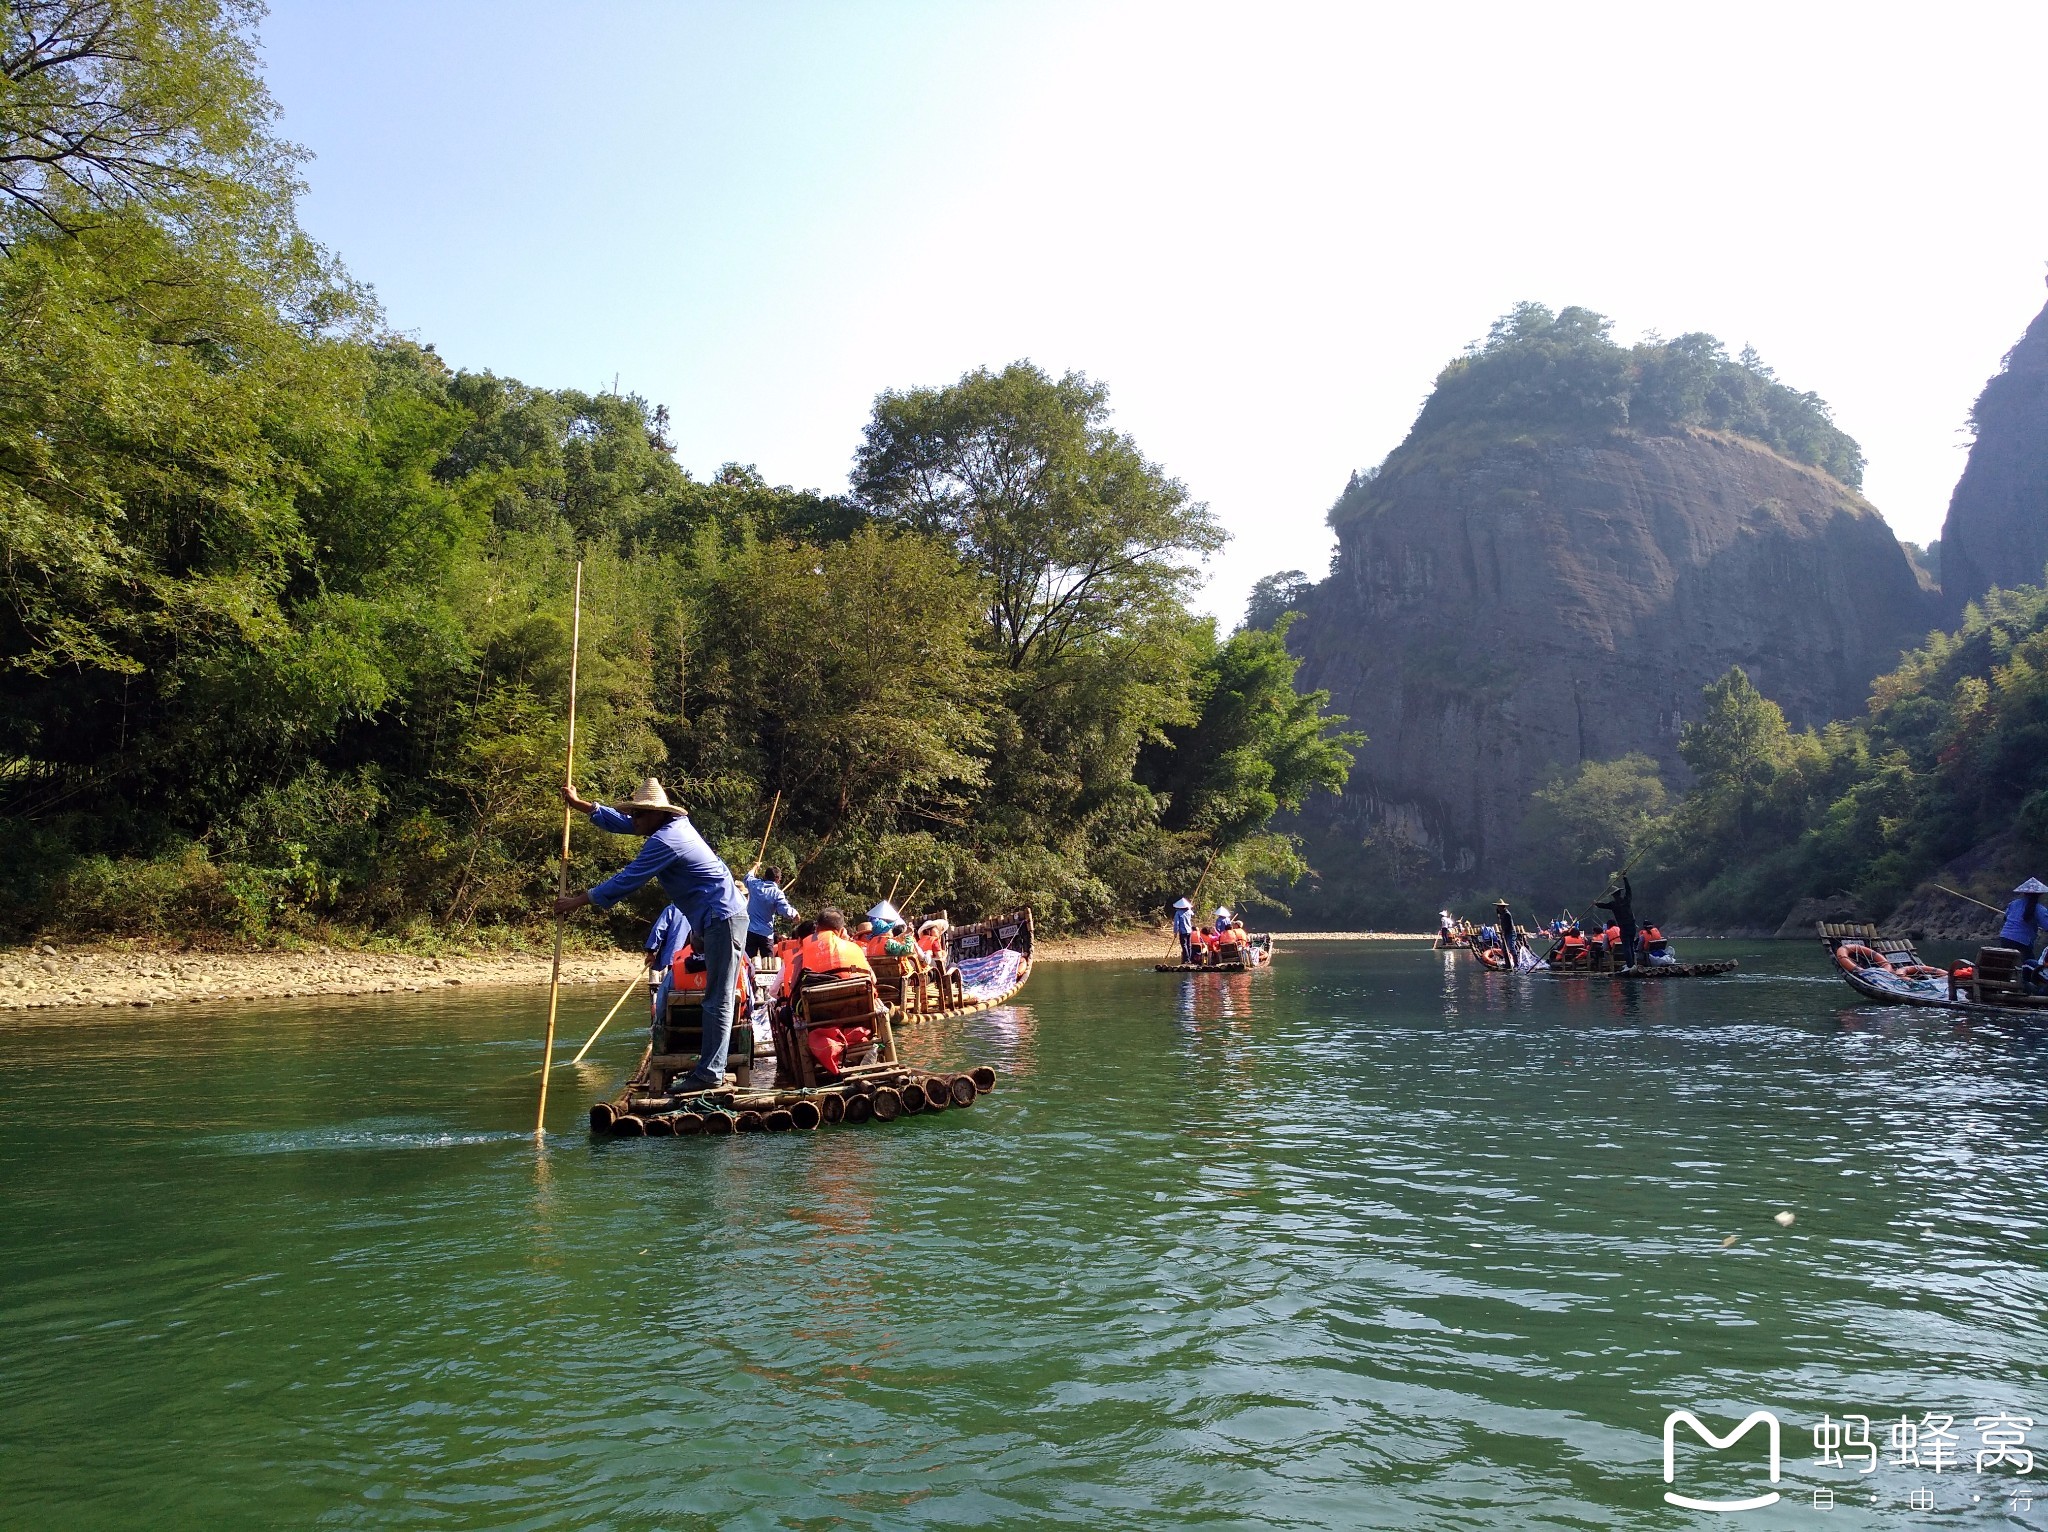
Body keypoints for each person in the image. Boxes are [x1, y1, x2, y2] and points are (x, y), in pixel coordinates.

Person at [554, 777, 747, 1092]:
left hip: (722, 916)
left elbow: (628, 879)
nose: (634, 819)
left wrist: (578, 901)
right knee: (715, 997)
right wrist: (582, 806)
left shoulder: (667, 841)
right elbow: (625, 823)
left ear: (658, 815)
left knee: (718, 997)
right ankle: (708, 1067)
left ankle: (710, 1073)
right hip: (713, 917)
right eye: (634, 814)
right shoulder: (663, 827)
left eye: (640, 814)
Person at [742, 865, 798, 960]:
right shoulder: (776, 893)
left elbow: (747, 877)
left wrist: (755, 867)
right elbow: (784, 910)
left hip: (750, 931)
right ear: (777, 879)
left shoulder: (754, 885)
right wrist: (795, 914)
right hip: (766, 933)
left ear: (765, 876)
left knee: (749, 962)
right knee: (769, 965)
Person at [1594, 873, 1639, 970]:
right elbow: (1629, 890)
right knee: (1631, 945)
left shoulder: (1613, 904)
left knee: (1626, 946)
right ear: (1619, 893)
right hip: (1632, 925)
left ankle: (1630, 965)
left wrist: (1596, 904)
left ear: (1613, 896)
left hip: (1624, 927)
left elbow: (1603, 905)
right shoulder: (1627, 900)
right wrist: (1625, 878)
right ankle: (1632, 964)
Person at [1997, 878, 2048, 955]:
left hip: (2005, 938)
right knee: (2030, 964)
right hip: (2022, 941)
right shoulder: (2039, 909)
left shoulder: (2013, 904)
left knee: (2008, 961)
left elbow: (2006, 918)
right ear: (2040, 894)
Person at [645, 903, 690, 979]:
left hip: (675, 956)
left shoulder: (672, 908)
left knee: (674, 982)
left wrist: (651, 951)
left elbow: (658, 929)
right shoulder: (702, 908)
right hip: (698, 957)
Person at [1174, 898, 1197, 964]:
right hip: (1189, 931)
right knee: (1188, 945)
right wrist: (1189, 908)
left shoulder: (1178, 913)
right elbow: (1192, 913)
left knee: (1184, 945)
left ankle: (1187, 960)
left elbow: (1176, 923)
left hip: (1183, 931)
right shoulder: (1189, 911)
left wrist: (1175, 932)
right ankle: (1188, 959)